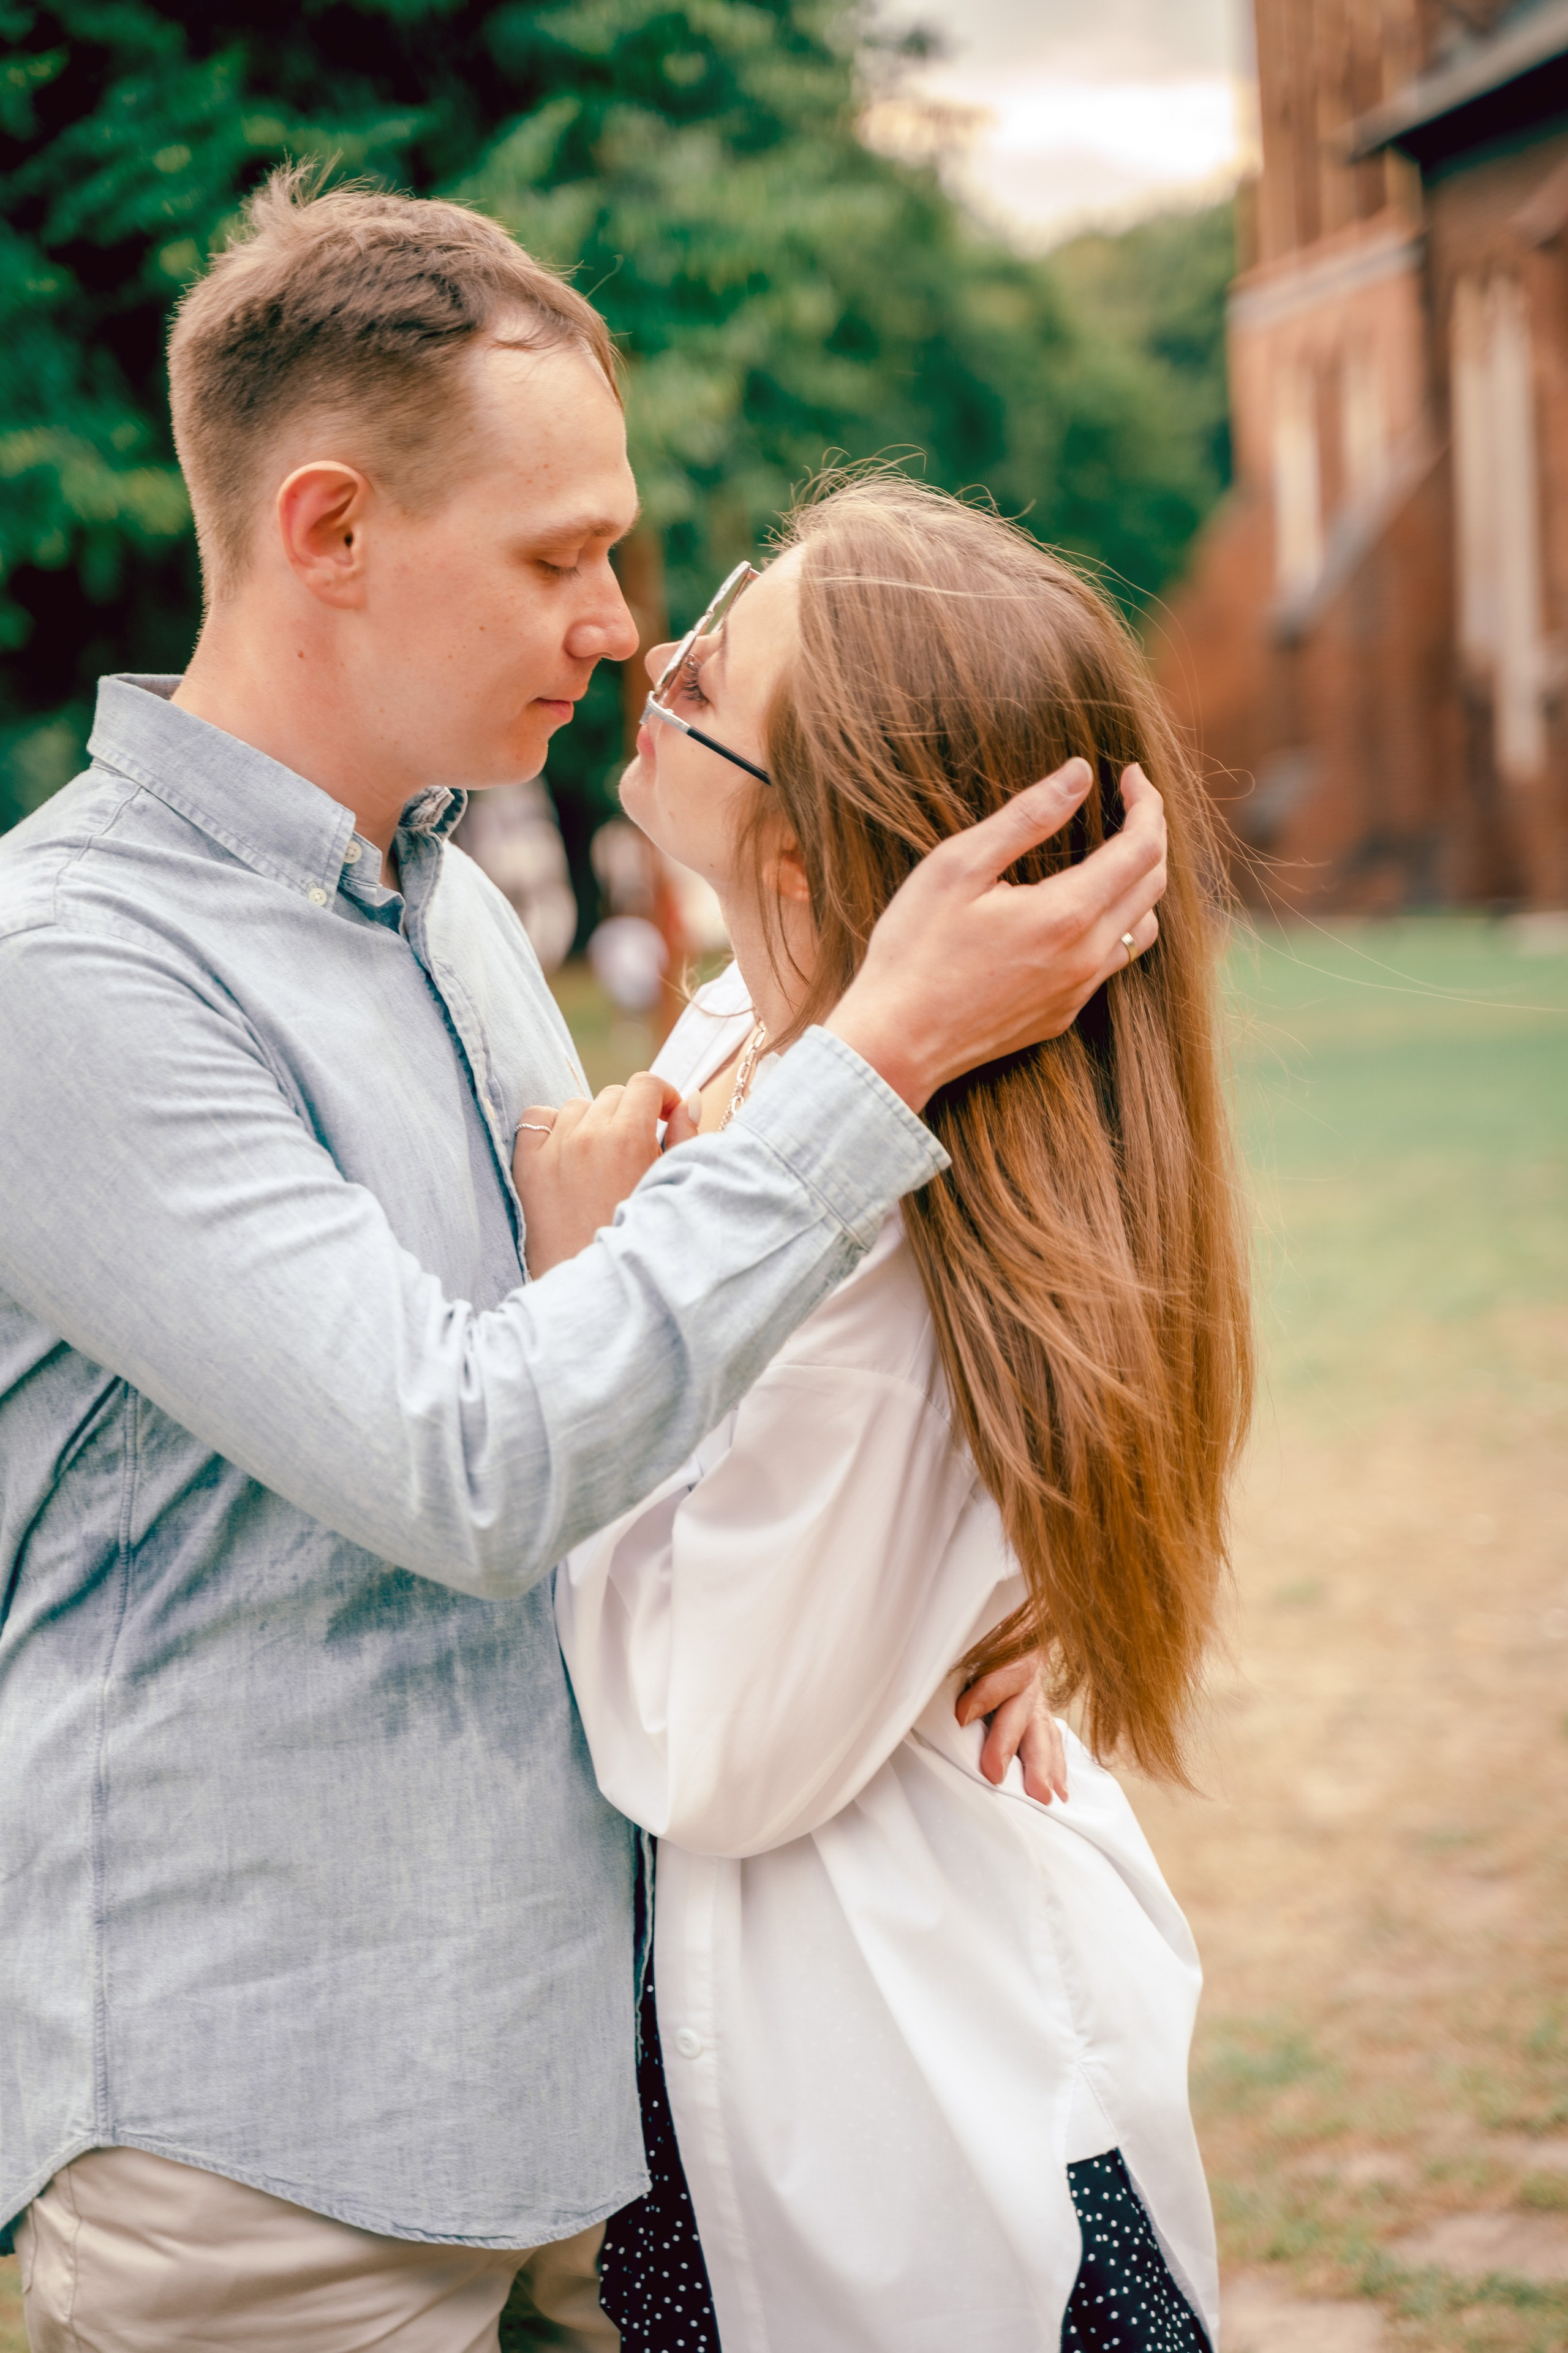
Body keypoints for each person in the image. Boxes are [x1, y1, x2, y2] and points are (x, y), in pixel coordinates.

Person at [0, 174, 1169, 2352]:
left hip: (591, 2108)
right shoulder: (73, 966)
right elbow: (470, 1461)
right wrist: (889, 1046)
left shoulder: (445, 899)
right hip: (272, 2156)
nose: (625, 620)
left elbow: (659, 1374)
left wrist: (969, 1573)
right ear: (327, 530)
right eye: (559, 556)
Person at [529, 477, 1254, 2352]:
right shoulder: (747, 1049)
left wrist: (573, 1305)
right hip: (833, 2066)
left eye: (712, 676)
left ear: (799, 868)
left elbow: (713, 1746)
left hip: (907, 2117)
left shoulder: (871, 1247)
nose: (656, 657)